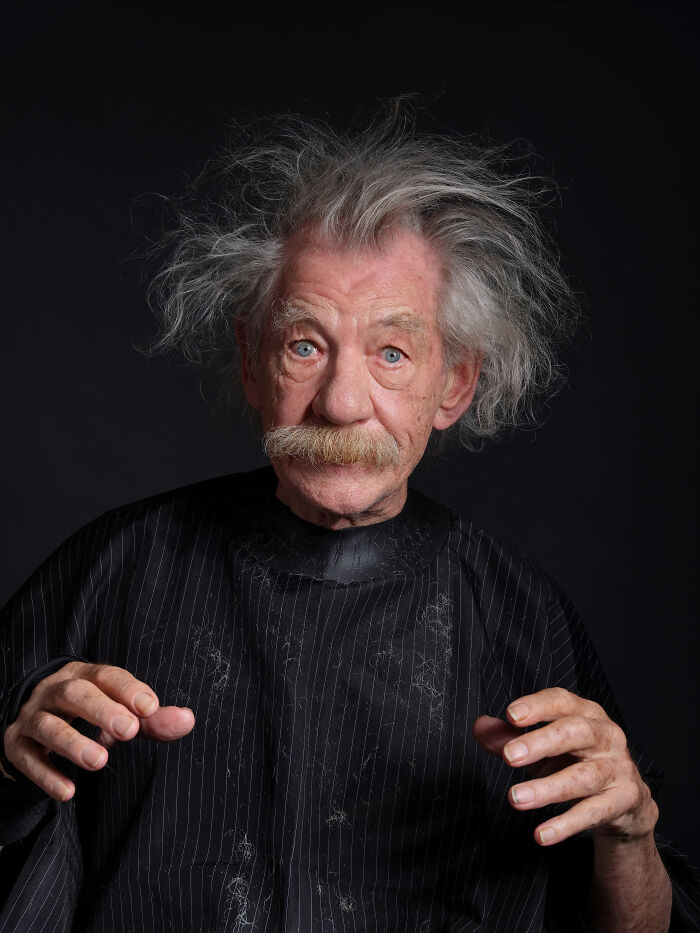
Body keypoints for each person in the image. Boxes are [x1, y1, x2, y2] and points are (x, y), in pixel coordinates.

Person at [0, 106, 698, 932]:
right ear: (253, 361)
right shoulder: (111, 567)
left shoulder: (524, 617)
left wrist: (630, 834)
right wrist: (9, 758)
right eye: (305, 344)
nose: (339, 402)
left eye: (392, 354)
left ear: (456, 386)